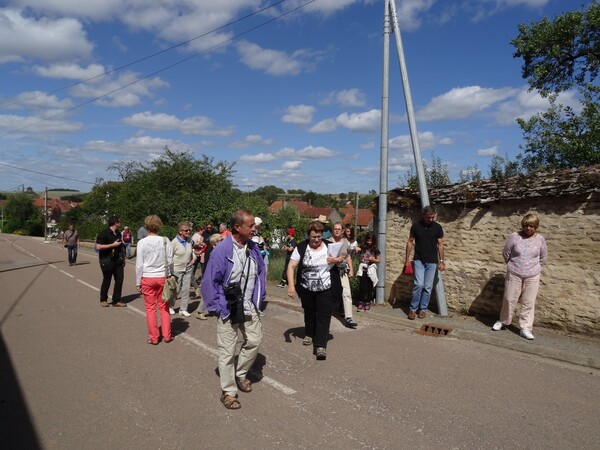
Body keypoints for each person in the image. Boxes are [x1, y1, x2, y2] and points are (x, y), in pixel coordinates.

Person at [201, 210, 266, 410]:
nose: (255, 228)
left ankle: (240, 373)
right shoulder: (222, 251)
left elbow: (261, 273)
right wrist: (216, 307)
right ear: (238, 227)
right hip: (228, 308)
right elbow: (209, 281)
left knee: (254, 340)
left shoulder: (253, 248)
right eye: (251, 226)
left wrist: (260, 297)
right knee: (227, 351)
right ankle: (228, 392)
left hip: (249, 305)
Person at [287, 220, 344, 361]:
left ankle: (320, 346)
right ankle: (309, 333)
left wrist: (335, 260)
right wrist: (291, 286)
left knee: (324, 315)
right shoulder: (301, 247)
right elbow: (291, 266)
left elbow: (342, 258)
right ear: (308, 236)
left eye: (319, 237)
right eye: (314, 237)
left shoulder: (329, 245)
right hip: (306, 288)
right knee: (310, 311)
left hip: (326, 287)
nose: (317, 240)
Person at [492, 213, 548, 340]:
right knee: (508, 298)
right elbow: (506, 253)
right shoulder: (515, 237)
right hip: (514, 272)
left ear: (536, 227)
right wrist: (513, 264)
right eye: (526, 226)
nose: (528, 228)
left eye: (531, 226)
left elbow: (543, 258)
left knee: (529, 302)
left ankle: (526, 328)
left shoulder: (540, 239)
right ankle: (503, 321)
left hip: (532, 275)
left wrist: (533, 268)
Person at [135, 215, 174, 345]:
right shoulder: (165, 240)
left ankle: (154, 337)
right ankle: (167, 336)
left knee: (150, 308)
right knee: (164, 307)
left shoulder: (142, 242)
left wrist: (137, 281)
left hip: (147, 277)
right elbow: (171, 260)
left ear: (146, 227)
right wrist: (170, 275)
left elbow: (139, 264)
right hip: (163, 276)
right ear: (159, 225)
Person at [404, 205, 445, 320]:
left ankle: (423, 309)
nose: (431, 219)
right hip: (418, 260)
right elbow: (410, 242)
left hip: (432, 262)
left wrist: (441, 261)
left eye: (432, 217)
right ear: (423, 216)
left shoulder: (438, 228)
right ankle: (412, 309)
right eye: (428, 217)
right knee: (418, 284)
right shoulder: (416, 226)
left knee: (427, 287)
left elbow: (440, 245)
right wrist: (407, 259)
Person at [330, 222, 358, 328]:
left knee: (346, 292)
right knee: (329, 293)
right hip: (330, 270)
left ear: (342, 231)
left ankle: (349, 318)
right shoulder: (327, 241)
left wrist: (351, 269)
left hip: (342, 269)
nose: (337, 230)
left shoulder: (345, 241)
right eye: (335, 229)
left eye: (339, 229)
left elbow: (348, 257)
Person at [95, 216, 127, 307]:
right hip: (107, 260)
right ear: (115, 223)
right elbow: (98, 247)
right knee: (107, 279)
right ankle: (103, 299)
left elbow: (121, 247)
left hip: (118, 260)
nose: (120, 224)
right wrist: (113, 245)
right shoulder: (104, 233)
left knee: (119, 280)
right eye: (119, 222)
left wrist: (123, 259)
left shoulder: (118, 234)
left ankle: (116, 300)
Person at [195, 233, 223, 321]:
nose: (223, 241)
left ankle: (217, 308)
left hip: (213, 274)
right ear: (215, 242)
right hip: (210, 275)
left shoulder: (217, 249)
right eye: (221, 240)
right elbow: (208, 265)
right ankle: (200, 311)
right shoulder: (211, 251)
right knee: (208, 293)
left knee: (216, 292)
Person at [171, 222, 196, 317]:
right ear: (180, 231)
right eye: (186, 230)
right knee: (176, 290)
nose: (188, 231)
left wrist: (193, 257)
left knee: (186, 289)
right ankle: (170, 306)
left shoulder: (189, 240)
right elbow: (169, 256)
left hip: (188, 268)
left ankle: (183, 309)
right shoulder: (174, 242)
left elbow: (191, 251)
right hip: (177, 269)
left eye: (189, 230)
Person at [356, 232, 380, 311]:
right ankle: (361, 301)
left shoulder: (375, 249)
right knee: (362, 287)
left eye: (371, 241)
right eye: (368, 240)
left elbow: (378, 260)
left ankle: (367, 302)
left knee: (369, 287)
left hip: (371, 269)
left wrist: (373, 259)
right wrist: (356, 248)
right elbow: (357, 249)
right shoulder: (363, 247)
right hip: (363, 269)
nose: (369, 242)